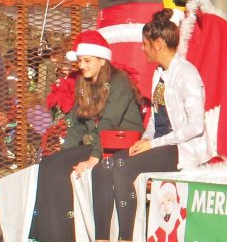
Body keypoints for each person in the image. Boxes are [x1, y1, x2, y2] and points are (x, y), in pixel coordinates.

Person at [90, 9, 208, 242]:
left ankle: (126, 238)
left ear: (159, 44)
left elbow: (196, 126)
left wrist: (154, 143)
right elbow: (157, 118)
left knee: (123, 168)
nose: (142, 49)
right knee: (103, 169)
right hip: (159, 144)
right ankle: (102, 238)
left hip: (181, 148)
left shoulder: (187, 74)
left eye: (145, 44)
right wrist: (146, 139)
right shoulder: (158, 74)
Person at [29, 30, 144, 242]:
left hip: (118, 143)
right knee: (49, 164)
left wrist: (93, 158)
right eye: (80, 61)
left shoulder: (119, 82)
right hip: (97, 142)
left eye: (87, 61)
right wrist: (63, 152)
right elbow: (78, 125)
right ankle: (43, 234)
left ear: (102, 60)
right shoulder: (84, 84)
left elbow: (109, 122)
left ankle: (61, 235)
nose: (82, 65)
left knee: (58, 168)